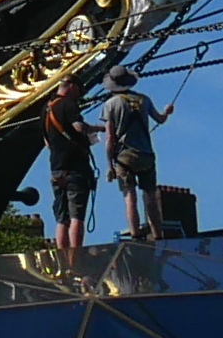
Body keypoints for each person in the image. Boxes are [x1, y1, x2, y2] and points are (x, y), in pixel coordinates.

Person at [103, 71, 173, 239]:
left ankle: (135, 233)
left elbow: (110, 138)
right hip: (146, 154)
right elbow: (160, 119)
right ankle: (157, 234)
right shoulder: (144, 99)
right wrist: (166, 111)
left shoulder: (111, 104)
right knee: (150, 196)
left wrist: (109, 166)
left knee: (129, 196)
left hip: (124, 156)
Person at [37, 86, 99, 254]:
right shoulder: (69, 104)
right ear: (71, 87)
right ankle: (76, 256)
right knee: (76, 217)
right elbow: (78, 127)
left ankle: (62, 259)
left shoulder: (46, 108)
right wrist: (91, 131)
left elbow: (47, 141)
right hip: (75, 169)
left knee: (61, 219)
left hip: (56, 169)